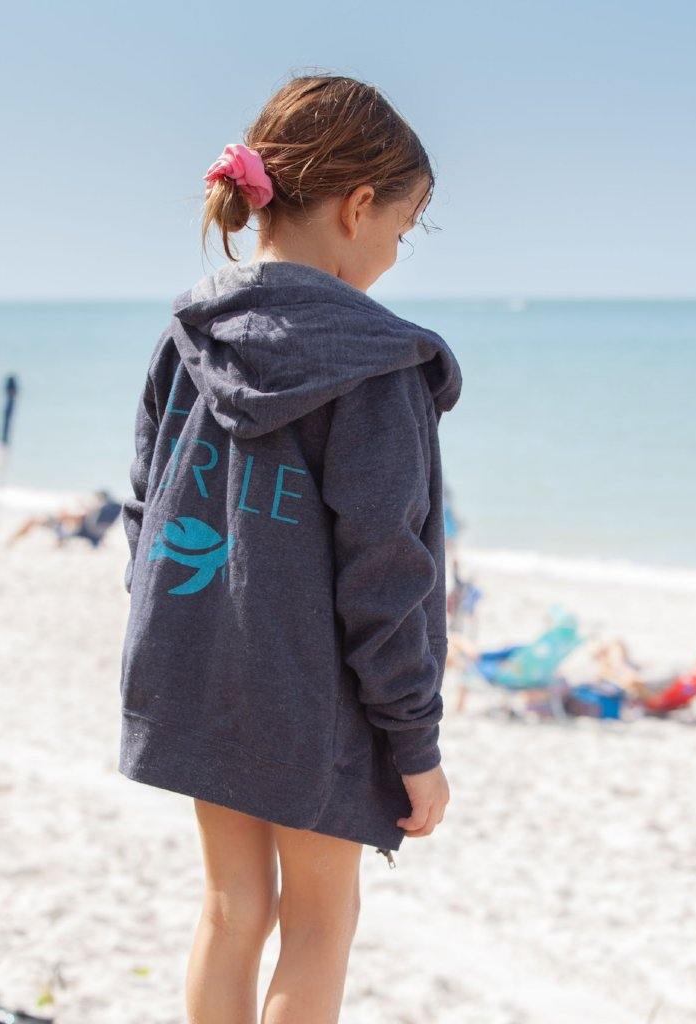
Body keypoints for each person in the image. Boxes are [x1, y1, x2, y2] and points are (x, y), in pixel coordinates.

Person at [116, 76, 461, 1024]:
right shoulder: (379, 363)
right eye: (406, 225)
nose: (395, 253)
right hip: (315, 695)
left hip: (193, 667)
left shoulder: (187, 334)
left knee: (232, 909)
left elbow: (145, 522)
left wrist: (174, 650)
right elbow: (387, 573)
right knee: (323, 918)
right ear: (357, 207)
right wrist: (414, 740)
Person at [6, 490, 121, 548]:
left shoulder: (92, 513)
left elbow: (77, 517)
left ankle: (11, 541)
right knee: (35, 519)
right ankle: (12, 540)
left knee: (34, 520)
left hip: (69, 525)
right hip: (71, 525)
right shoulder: (102, 514)